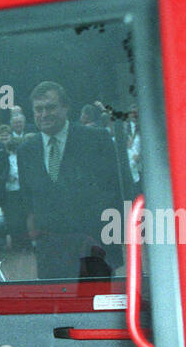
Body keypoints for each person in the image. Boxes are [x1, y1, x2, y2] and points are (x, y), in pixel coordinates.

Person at [15, 80, 122, 280]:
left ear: (66, 107)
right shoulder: (26, 151)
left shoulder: (96, 140)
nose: (44, 114)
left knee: (97, 303)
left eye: (51, 107)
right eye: (39, 109)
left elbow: (114, 190)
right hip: (51, 253)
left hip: (93, 246)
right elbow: (28, 200)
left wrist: (112, 244)